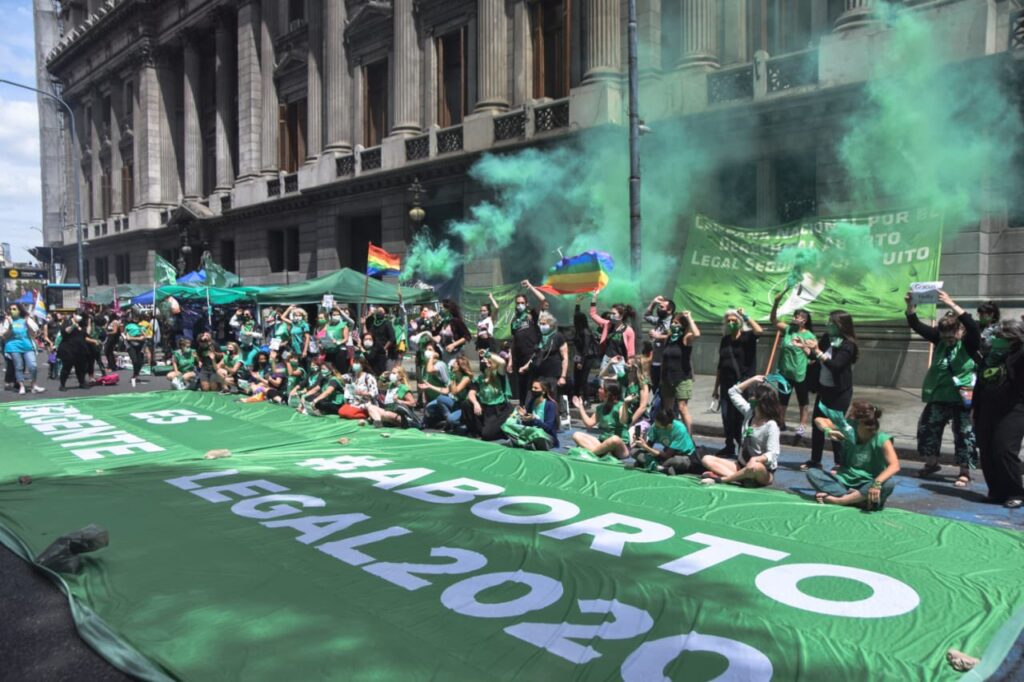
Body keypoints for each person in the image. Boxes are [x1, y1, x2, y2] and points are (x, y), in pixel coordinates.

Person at [906, 291, 979, 488]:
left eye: (952, 336)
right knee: (928, 428)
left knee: (964, 433)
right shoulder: (939, 340)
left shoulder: (969, 343)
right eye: (945, 336)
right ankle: (931, 463)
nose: (948, 339)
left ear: (960, 332)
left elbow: (972, 325)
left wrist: (950, 303)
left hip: (962, 398)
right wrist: (911, 306)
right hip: (939, 396)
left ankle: (964, 471)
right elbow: (915, 324)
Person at [808, 400, 900, 510]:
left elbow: (895, 465)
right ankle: (859, 500)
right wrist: (828, 431)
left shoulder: (882, 439)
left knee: (888, 483)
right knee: (812, 472)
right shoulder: (848, 430)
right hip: (845, 482)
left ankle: (842, 500)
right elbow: (819, 420)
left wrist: (876, 483)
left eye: (850, 413)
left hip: (868, 484)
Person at [795, 310, 857, 471]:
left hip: (839, 392)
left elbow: (835, 366)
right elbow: (815, 358)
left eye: (831, 322)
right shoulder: (826, 338)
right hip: (824, 389)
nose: (827, 324)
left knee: (835, 426)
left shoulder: (848, 345)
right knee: (818, 425)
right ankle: (815, 460)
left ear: (840, 326)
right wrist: (804, 348)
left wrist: (817, 351)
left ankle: (840, 463)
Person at [973, 320, 1024, 508]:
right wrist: (975, 408)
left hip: (1013, 409)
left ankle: (1015, 492)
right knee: (986, 450)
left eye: (1001, 337)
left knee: (1004, 449)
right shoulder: (990, 355)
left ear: (1013, 339)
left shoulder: (1019, 355)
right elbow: (980, 382)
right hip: (986, 408)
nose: (996, 339)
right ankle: (996, 491)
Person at [701, 375, 781, 487]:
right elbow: (732, 392)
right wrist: (753, 379)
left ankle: (723, 479)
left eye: (753, 396)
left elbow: (773, 453)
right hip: (741, 466)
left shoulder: (771, 425)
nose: (750, 398)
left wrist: (756, 459)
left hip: (760, 470)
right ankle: (741, 479)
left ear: (760, 401)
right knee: (706, 459)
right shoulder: (749, 412)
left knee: (754, 467)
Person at [711, 308, 763, 456]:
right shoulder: (725, 340)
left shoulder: (748, 337)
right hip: (727, 384)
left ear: (740, 323)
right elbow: (720, 366)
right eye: (729, 321)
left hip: (743, 384)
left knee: (742, 416)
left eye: (734, 321)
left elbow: (759, 331)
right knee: (727, 416)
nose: (731, 323)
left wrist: (746, 316)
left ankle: (743, 446)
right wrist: (716, 388)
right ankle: (729, 445)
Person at [769, 290, 816, 439]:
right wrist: (776, 302)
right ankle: (781, 422)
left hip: (800, 373)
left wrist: (805, 345)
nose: (798, 318)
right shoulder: (788, 330)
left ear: (806, 320)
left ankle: (802, 425)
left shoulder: (809, 335)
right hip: (785, 372)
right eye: (797, 315)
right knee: (783, 398)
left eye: (802, 317)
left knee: (803, 400)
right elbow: (773, 320)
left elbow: (814, 352)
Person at [659, 311, 700, 434]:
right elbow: (664, 360)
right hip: (668, 378)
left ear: (682, 325)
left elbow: (697, 334)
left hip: (682, 377)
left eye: (676, 323)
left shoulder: (685, 338)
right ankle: (672, 435)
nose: (673, 324)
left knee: (682, 408)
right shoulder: (668, 338)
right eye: (672, 322)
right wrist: (661, 378)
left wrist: (689, 318)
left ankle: (689, 437)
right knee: (668, 410)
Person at [631, 407, 699, 474]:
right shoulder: (655, 426)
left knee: (677, 461)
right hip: (664, 456)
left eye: (658, 426)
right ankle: (661, 468)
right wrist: (641, 441)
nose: (655, 427)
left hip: (683, 456)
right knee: (634, 452)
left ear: (669, 426)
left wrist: (646, 447)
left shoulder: (679, 429)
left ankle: (655, 465)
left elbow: (667, 455)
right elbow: (649, 446)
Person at [463, 349, 513, 441]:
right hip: (484, 407)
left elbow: (502, 362)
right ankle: (476, 430)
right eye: (482, 360)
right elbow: (471, 393)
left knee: (487, 435)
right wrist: (475, 403)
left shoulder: (499, 374)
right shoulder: (480, 378)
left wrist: (487, 354)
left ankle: (500, 429)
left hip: (498, 409)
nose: (482, 361)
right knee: (467, 403)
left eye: (485, 360)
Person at [570, 383, 629, 459]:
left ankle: (592, 453)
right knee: (576, 435)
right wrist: (580, 407)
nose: (598, 390)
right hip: (603, 443)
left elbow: (623, 420)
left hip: (620, 447)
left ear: (609, 393)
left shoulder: (621, 406)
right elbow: (589, 423)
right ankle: (600, 452)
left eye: (601, 389)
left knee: (614, 439)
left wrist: (626, 404)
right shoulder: (600, 408)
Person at [502, 378, 559, 450]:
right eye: (532, 387)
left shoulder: (550, 405)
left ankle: (522, 442)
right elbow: (528, 424)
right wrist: (524, 416)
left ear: (543, 391)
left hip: (545, 435)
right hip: (531, 431)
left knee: (537, 432)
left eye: (536, 388)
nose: (533, 390)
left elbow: (548, 428)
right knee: (508, 423)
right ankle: (527, 443)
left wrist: (534, 419)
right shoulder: (531, 402)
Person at [509, 284, 543, 403]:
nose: (520, 305)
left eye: (522, 302)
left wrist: (530, 286)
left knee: (531, 385)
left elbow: (543, 300)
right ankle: (522, 408)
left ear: (527, 304)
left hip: (532, 356)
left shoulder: (531, 315)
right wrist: (510, 360)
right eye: (518, 303)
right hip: (519, 358)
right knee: (521, 386)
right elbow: (513, 341)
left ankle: (531, 409)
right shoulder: (514, 321)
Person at [1, 304, 45, 394]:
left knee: (33, 366)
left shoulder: (26, 320)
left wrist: (27, 324)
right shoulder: (8, 320)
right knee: (19, 366)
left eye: (14, 309)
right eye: (10, 309)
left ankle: (33, 385)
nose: (12, 310)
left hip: (27, 346)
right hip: (13, 347)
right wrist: (10, 326)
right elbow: (4, 336)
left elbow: (34, 334)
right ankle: (21, 386)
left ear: (19, 310)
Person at [519, 312, 569, 392]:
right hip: (538, 374)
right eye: (540, 323)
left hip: (552, 375)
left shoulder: (558, 336)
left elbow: (565, 358)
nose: (541, 326)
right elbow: (535, 355)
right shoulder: (540, 337)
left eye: (544, 324)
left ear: (551, 325)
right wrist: (526, 366)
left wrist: (563, 377)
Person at [589, 294, 636, 371]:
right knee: (603, 380)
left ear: (621, 316)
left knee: (619, 382)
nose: (611, 316)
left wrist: (630, 363)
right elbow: (593, 314)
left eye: (614, 314)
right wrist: (594, 297)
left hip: (619, 362)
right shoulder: (607, 324)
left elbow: (631, 351)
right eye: (611, 314)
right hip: (606, 360)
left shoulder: (629, 331)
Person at [645, 295, 676, 387]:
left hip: (666, 363)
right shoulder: (659, 320)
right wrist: (653, 303)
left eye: (661, 307)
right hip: (655, 361)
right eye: (659, 307)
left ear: (669, 310)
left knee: (664, 392)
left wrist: (659, 336)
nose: (658, 309)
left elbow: (676, 337)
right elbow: (646, 316)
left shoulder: (674, 322)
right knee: (655, 388)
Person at [421, 342, 454, 428]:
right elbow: (425, 385)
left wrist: (432, 356)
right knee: (428, 415)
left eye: (430, 350)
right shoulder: (424, 366)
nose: (427, 352)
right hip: (432, 399)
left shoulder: (440, 365)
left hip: (444, 397)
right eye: (426, 349)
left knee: (430, 408)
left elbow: (430, 370)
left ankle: (449, 421)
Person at [56, 312, 91, 391]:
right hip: (68, 350)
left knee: (81, 368)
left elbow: (87, 334)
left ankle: (82, 382)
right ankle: (62, 385)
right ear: (74, 315)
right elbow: (64, 332)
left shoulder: (81, 324)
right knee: (66, 368)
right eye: (79, 316)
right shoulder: (67, 321)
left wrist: (89, 324)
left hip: (80, 350)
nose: (80, 318)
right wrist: (73, 325)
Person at [572, 300, 598, 401]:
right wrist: (577, 304)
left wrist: (581, 362)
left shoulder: (585, 332)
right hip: (579, 356)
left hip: (587, 358)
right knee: (576, 378)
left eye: (575, 320)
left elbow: (586, 349)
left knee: (583, 379)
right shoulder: (578, 331)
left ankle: (586, 399)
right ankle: (576, 397)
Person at [338, 355, 378, 420]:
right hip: (354, 402)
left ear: (362, 365)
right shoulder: (351, 376)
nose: (354, 365)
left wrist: (364, 393)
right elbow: (339, 378)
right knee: (341, 411)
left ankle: (367, 415)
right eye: (354, 363)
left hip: (365, 403)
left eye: (357, 363)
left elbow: (375, 393)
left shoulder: (368, 377)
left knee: (349, 414)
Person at [445, 355, 476, 432]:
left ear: (460, 366)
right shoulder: (456, 375)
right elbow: (447, 391)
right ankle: (450, 420)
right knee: (440, 399)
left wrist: (452, 377)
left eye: (455, 363)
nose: (453, 364)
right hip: (458, 402)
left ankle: (463, 423)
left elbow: (454, 392)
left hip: (466, 406)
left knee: (451, 419)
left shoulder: (466, 378)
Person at [364, 306, 396, 374]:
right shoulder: (373, 323)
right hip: (374, 350)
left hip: (383, 351)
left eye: (381, 311)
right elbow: (367, 333)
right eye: (378, 311)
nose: (379, 313)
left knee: (383, 371)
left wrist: (384, 348)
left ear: (384, 313)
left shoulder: (387, 323)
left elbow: (392, 338)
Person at [123, 312, 148, 387]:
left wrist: (137, 337)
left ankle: (135, 375)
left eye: (137, 317)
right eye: (134, 317)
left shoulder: (141, 327)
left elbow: (145, 337)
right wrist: (138, 338)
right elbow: (127, 337)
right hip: (131, 346)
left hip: (140, 346)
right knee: (134, 360)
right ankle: (134, 375)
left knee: (140, 362)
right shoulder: (128, 326)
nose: (135, 319)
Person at [475, 294, 499, 360]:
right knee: (482, 362)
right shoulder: (479, 321)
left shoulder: (490, 319)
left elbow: (497, 307)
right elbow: (478, 333)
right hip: (481, 343)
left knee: (490, 362)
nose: (482, 312)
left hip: (489, 342)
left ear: (488, 311)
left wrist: (491, 297)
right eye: (481, 311)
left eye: (484, 310)